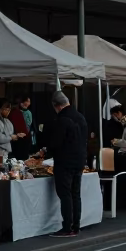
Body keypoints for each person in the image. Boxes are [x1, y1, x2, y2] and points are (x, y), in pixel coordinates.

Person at [41, 90, 88, 236]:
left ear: (57, 106)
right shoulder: (81, 117)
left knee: (65, 194)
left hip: (65, 161)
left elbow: (56, 143)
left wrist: (46, 150)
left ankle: (67, 226)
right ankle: (76, 225)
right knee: (76, 194)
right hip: (79, 160)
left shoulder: (62, 120)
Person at [10, 94, 36, 160]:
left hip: (24, 137)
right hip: (20, 138)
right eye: (26, 101)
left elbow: (28, 123)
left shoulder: (26, 112)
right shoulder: (16, 112)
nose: (28, 103)